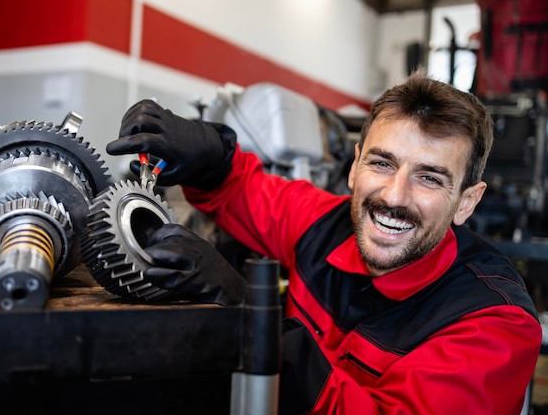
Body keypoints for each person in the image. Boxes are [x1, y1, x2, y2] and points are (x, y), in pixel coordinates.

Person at [106, 70, 542, 415]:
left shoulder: (494, 322)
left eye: (429, 177)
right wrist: (210, 154)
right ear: (354, 168)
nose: (393, 196)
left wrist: (253, 320)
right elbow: (241, 189)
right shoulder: (324, 224)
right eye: (382, 163)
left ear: (467, 202)